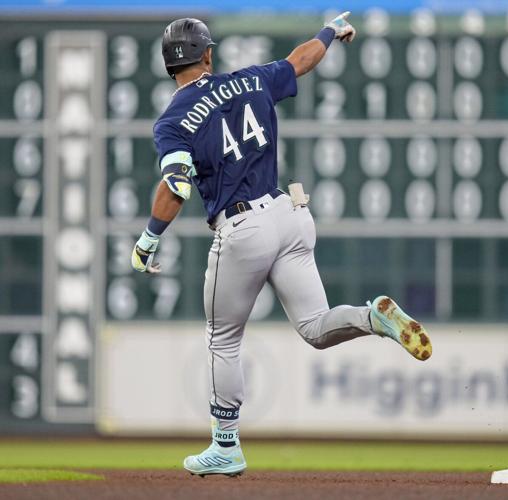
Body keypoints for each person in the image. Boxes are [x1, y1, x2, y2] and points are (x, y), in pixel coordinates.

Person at [130, 13, 433, 477]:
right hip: (289, 214)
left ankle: (225, 445)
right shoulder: (250, 80)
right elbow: (301, 60)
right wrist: (330, 32)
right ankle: (370, 316)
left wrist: (148, 240)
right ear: (208, 54)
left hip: (242, 227)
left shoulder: (172, 121)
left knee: (222, 338)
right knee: (314, 326)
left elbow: (176, 185)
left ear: (170, 67)